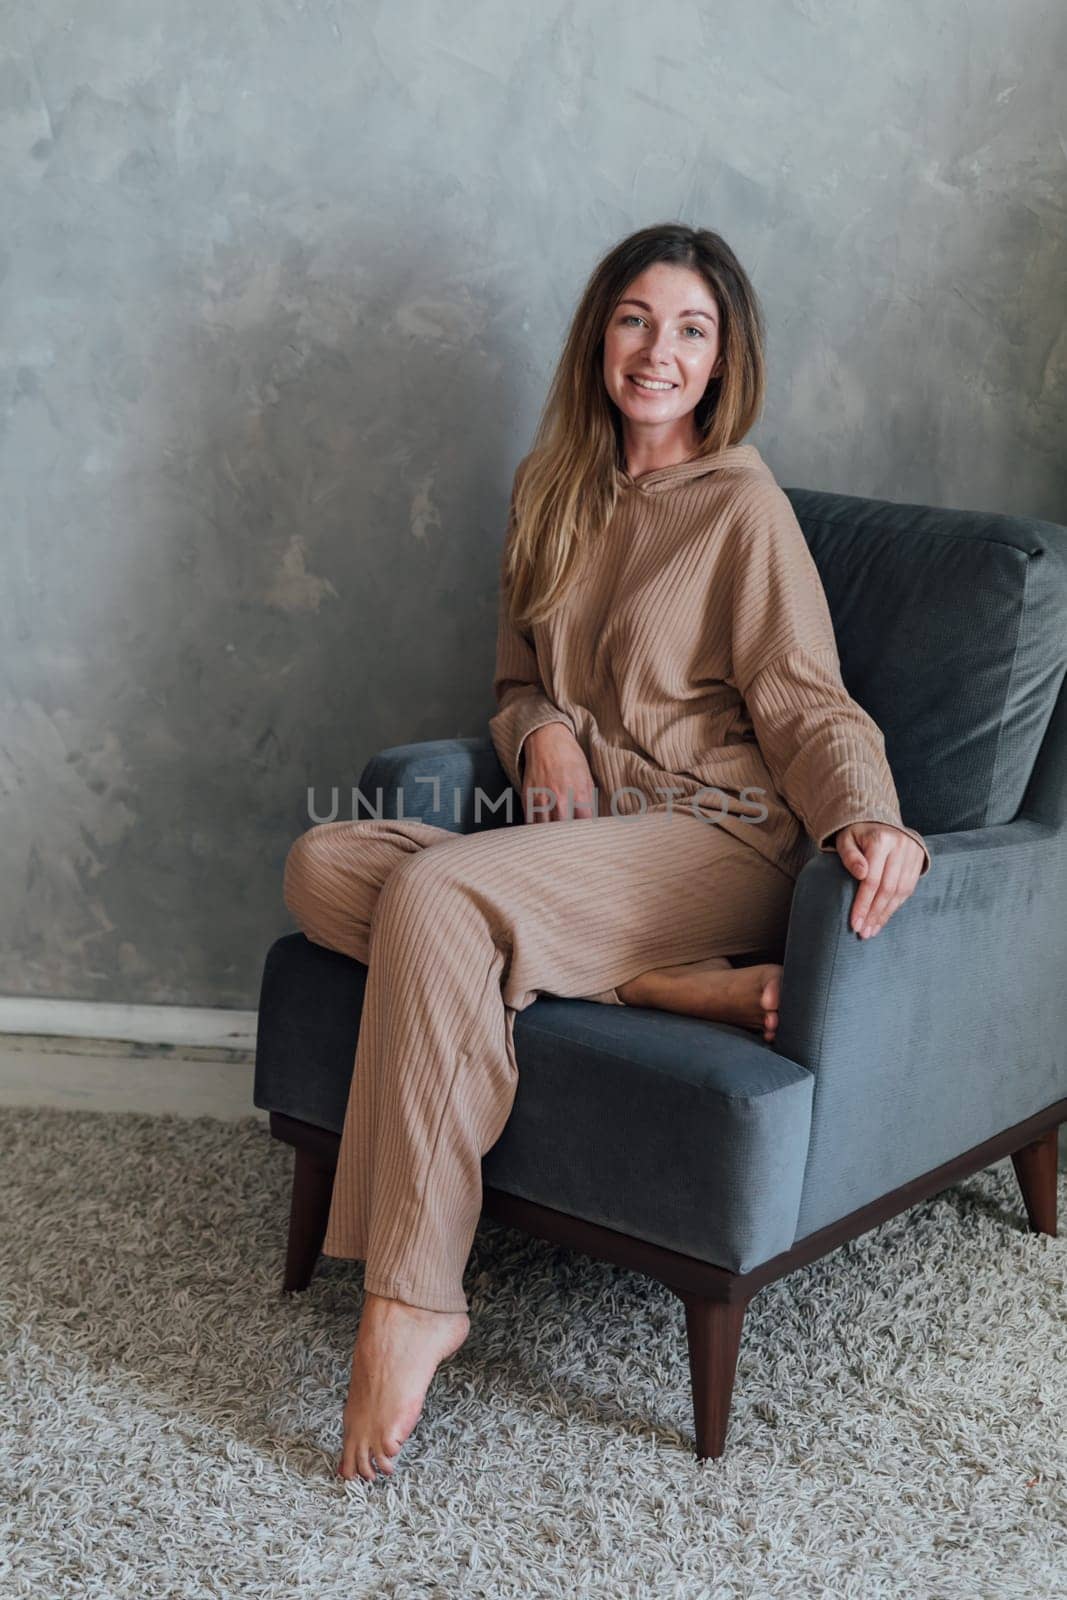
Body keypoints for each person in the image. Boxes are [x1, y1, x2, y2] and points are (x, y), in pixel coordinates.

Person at [282, 222, 930, 1484]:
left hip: (715, 832)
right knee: (319, 862)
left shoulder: (741, 506)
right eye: (637, 318)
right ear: (600, 334)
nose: (659, 351)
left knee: (433, 894)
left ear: (721, 356)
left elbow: (804, 697)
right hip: (584, 843)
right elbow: (514, 677)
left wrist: (866, 810)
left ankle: (414, 1293)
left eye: (691, 329)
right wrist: (539, 739)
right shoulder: (551, 486)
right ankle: (654, 983)